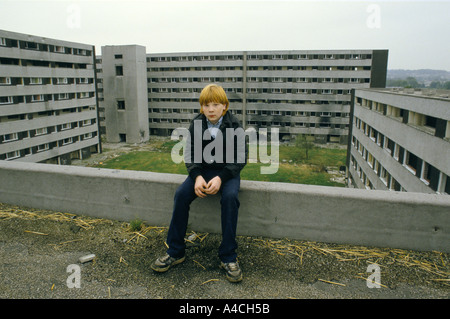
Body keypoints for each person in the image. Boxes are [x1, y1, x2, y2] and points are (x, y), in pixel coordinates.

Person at [151, 84, 247, 283]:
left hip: (226, 173)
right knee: (181, 195)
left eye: (215, 104)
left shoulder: (234, 125)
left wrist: (221, 178)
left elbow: (239, 158)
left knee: (230, 197)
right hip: (202, 173)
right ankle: (176, 251)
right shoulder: (196, 123)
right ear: (201, 107)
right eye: (206, 105)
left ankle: (228, 256)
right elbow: (190, 154)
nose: (210, 109)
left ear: (224, 106)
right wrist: (197, 176)